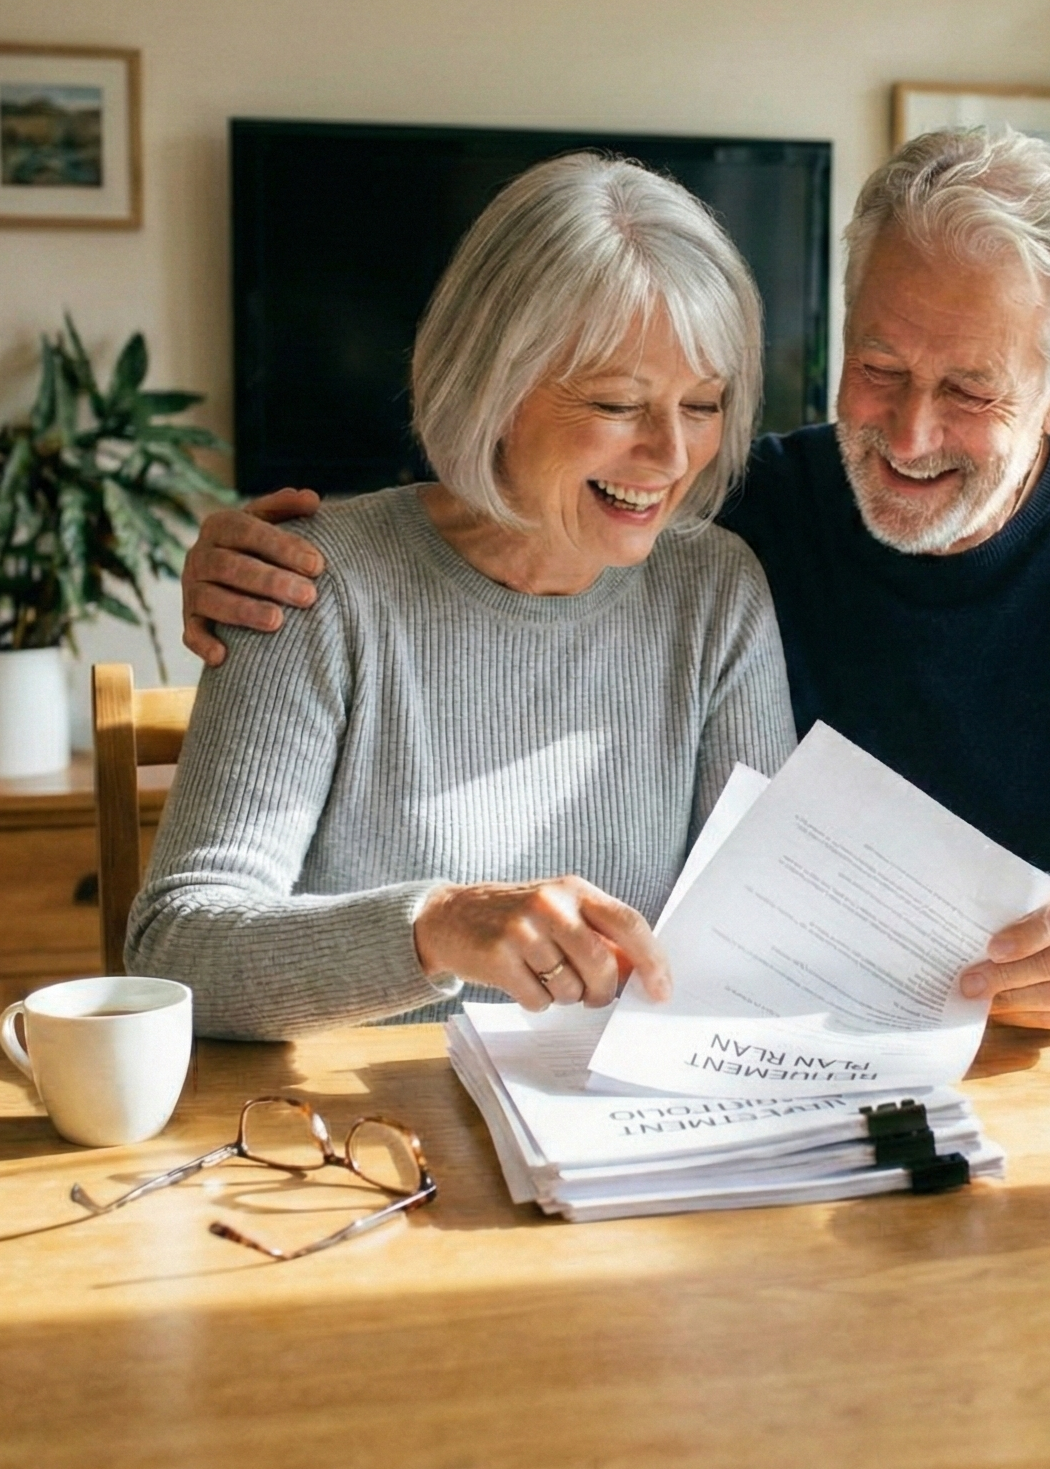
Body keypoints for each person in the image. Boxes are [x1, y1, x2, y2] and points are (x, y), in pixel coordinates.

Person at [182, 128, 1050, 1031]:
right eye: (877, 366)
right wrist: (258, 561)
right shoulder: (736, 518)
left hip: (1008, 1073)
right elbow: (517, 498)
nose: (907, 432)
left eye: (971, 391)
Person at [130, 153, 796, 1039]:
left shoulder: (716, 593)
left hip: (612, 1143)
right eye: (617, 403)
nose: (672, 456)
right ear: (498, 386)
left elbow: (767, 931)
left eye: (702, 405)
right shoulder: (316, 585)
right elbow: (178, 950)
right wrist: (434, 928)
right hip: (358, 1146)